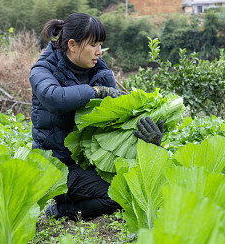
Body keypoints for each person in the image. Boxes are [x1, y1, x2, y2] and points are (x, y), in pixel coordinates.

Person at [29, 12, 163, 221]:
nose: (99, 52)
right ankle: (61, 211)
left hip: (91, 162)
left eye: (101, 44)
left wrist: (151, 142)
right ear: (72, 45)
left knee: (141, 187)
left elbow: (116, 128)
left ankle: (75, 201)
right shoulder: (42, 71)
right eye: (93, 45)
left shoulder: (101, 73)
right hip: (56, 165)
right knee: (118, 197)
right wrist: (97, 92)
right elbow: (55, 98)